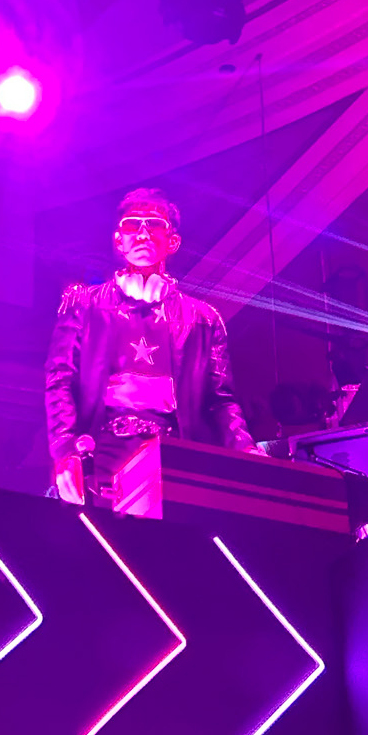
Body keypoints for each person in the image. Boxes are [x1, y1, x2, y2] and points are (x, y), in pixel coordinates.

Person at [45, 188, 257, 506]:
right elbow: (59, 381)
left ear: (172, 241)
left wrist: (245, 450)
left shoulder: (204, 319)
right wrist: (65, 450)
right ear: (118, 240)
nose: (143, 234)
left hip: (175, 454)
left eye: (154, 226)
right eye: (132, 225)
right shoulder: (84, 306)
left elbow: (221, 401)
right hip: (102, 453)